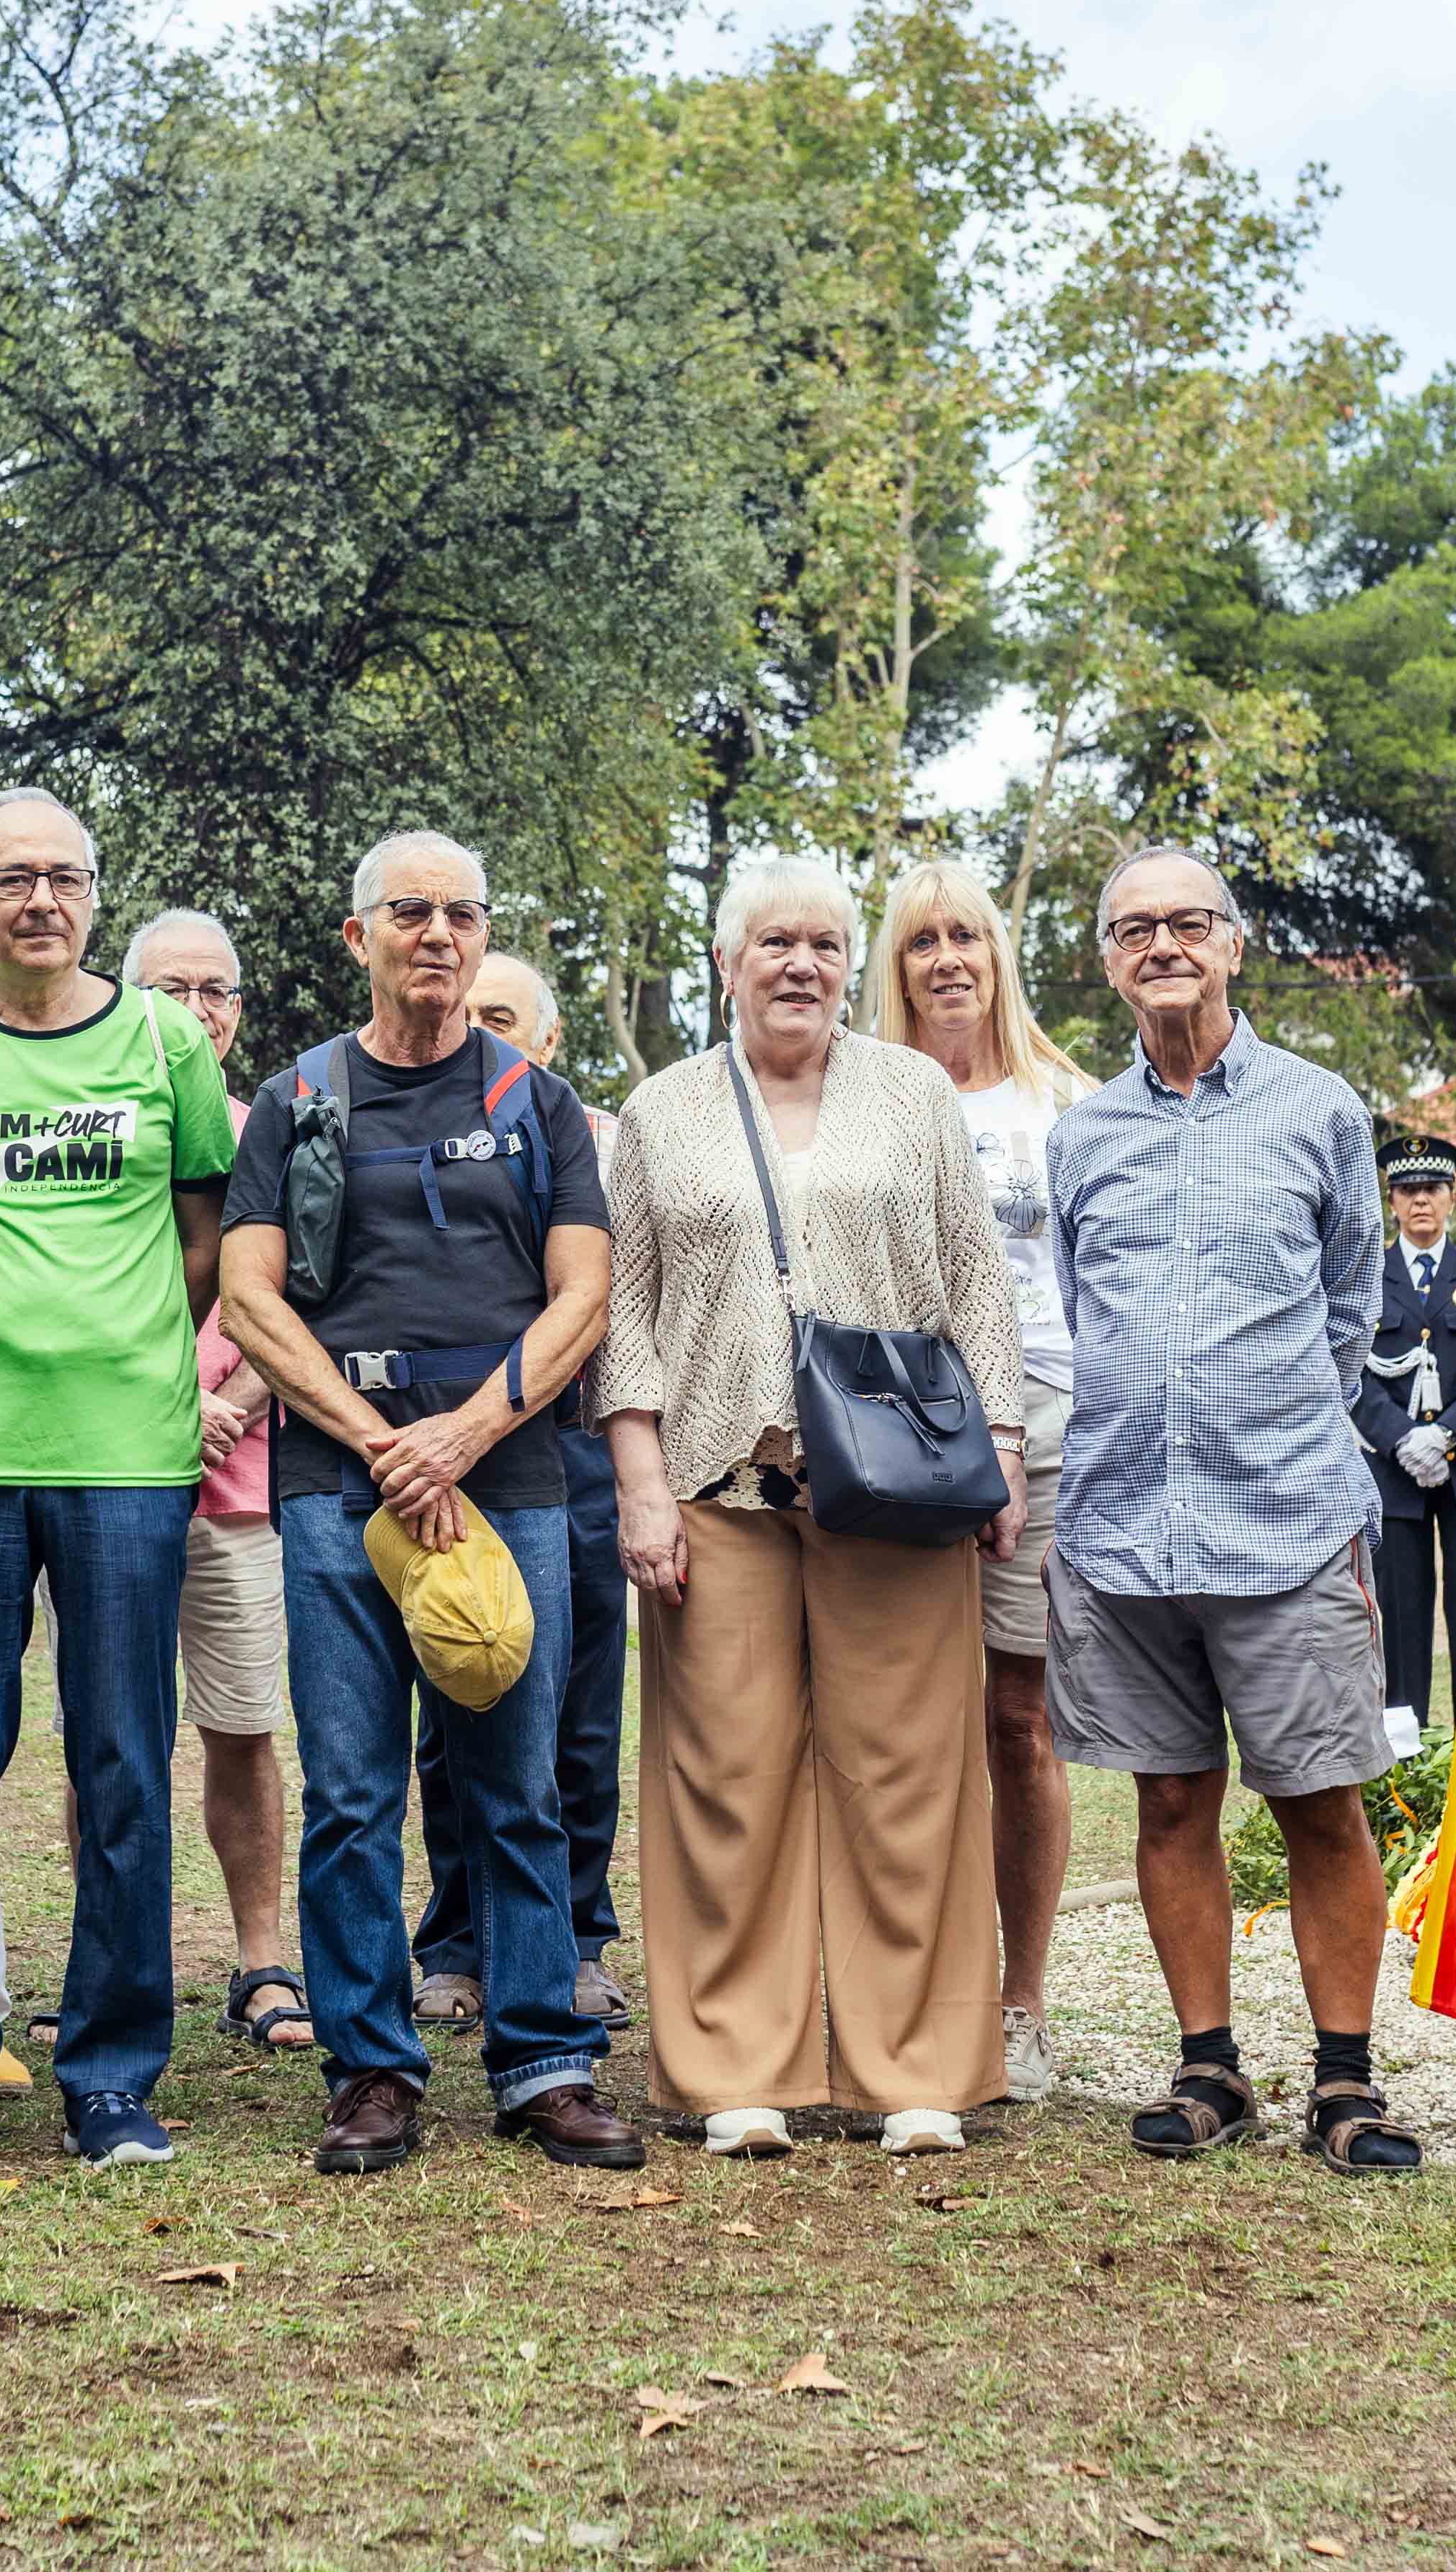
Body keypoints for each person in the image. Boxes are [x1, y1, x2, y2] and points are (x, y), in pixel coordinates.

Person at [217, 837, 639, 2175]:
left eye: (464, 913)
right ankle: (373, 2071)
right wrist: (383, 1441)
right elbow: (248, 1295)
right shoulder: (298, 1100)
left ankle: (542, 2059)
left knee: (517, 1781)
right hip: (341, 1489)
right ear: (359, 938)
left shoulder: (543, 1103)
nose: (440, 934)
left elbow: (584, 1297)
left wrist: (460, 1435)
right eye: (412, 912)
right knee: (350, 1792)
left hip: (506, 1481)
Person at [596, 854, 1023, 2160]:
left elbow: (974, 1277)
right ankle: (736, 2068)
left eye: (826, 945)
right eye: (774, 942)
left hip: (892, 1482)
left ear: (851, 965)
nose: (801, 965)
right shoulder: (663, 1110)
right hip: (718, 1482)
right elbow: (625, 1312)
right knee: (725, 1770)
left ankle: (921, 2070)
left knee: (910, 1770)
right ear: (727, 961)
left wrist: (997, 1436)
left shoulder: (912, 1098)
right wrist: (642, 1486)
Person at [0, 788, 237, 2185]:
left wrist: (121, 1338)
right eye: (9, 878)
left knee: (123, 1764)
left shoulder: (164, 1040)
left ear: (94, 894)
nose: (38, 901)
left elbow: (207, 1231)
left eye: (62, 876)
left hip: (128, 1451)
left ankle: (115, 2076)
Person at [1044, 846, 1419, 2176]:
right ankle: (1209, 2067)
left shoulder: (1321, 1111)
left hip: (1286, 1521)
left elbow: (1349, 1310)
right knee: (1166, 1801)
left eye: (1189, 922)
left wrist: (1265, 1424)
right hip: (1123, 1525)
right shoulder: (1082, 1134)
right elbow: (1088, 1312)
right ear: (1105, 960)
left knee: (1323, 1804)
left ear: (1236, 943)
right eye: (1134, 927)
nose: (1165, 945)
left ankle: (1346, 2079)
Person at [865, 858, 1095, 2102]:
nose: (947, 958)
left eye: (967, 936)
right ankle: (907, 1990)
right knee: (899, 1722)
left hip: (1051, 1423)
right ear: (892, 970)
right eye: (920, 942)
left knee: (1019, 1721)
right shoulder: (864, 1099)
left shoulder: (1070, 1101)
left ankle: (1022, 2002)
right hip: (894, 1427)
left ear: (1000, 954)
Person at [410, 948, 630, 2033]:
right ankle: (454, 1935)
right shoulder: (409, 1133)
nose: (479, 1028)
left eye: (505, 1015)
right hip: (441, 1445)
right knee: (455, 1694)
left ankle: (578, 1934)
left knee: (577, 1709)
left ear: (545, 1043)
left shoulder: (597, 1140)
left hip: (576, 1452)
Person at [123, 903, 309, 2056]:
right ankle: (116, 1960)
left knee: (241, 1727)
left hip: (236, 1486)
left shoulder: (270, 1133)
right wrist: (149, 1415)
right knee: (113, 1733)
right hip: (108, 1475)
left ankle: (261, 1962)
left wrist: (227, 1407)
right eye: (172, 990)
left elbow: (308, 1303)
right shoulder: (99, 1128)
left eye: (217, 992)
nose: (197, 1012)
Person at [1354, 1129, 1456, 1761]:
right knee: (1402, 1615)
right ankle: (1406, 1754)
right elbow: (1348, 1368)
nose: (1420, 1203)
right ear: (1391, 1200)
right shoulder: (1365, 1277)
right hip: (1394, 1471)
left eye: (1432, 1190)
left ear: (1453, 1198)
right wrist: (1402, 1439)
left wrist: (1448, 1435)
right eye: (1408, 1191)